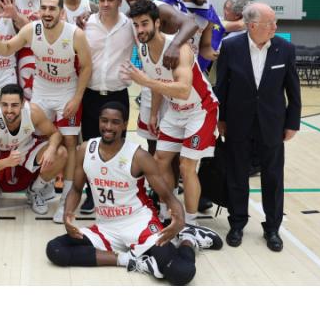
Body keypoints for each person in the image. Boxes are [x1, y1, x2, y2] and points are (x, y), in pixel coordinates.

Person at [45, 102, 221, 286]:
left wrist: (179, 220)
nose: (108, 127)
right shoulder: (85, 150)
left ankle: (189, 239)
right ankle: (129, 260)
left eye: (115, 122)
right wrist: (67, 214)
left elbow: (168, 196)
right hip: (106, 228)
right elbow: (75, 189)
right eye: (104, 121)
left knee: (180, 273)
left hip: (140, 224)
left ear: (124, 124)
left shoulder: (139, 156)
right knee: (55, 250)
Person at [0, 0, 92, 223]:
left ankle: (66, 200)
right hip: (42, 91)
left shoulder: (75, 34)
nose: (47, 12)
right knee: (36, 137)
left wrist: (76, 98)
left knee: (70, 143)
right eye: (44, 8)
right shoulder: (31, 30)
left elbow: (85, 68)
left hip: (66, 91)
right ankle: (39, 187)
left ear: (62, 12)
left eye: (52, 8)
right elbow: (6, 49)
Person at [122, 0, 219, 227]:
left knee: (186, 165)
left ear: (157, 23)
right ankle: (168, 212)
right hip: (174, 111)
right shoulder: (143, 48)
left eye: (144, 24)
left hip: (200, 109)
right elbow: (157, 82)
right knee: (159, 162)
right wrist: (154, 114)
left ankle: (192, 222)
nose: (140, 30)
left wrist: (145, 81)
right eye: (136, 26)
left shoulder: (179, 48)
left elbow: (184, 90)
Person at [215, 3, 301, 252]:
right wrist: (221, 119)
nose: (276, 27)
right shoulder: (231, 47)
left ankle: (272, 228)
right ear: (252, 26)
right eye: (270, 23)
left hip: (272, 123)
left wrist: (292, 122)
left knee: (273, 177)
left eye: (275, 22)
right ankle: (237, 223)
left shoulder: (285, 49)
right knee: (237, 175)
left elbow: (293, 90)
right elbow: (222, 87)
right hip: (237, 122)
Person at [0, 84, 68, 215]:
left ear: (23, 103)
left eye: (14, 105)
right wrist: (6, 162)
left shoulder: (33, 112)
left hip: (25, 148)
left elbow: (55, 133)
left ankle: (35, 191)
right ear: (0, 103)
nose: (9, 110)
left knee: (61, 153)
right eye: (5, 105)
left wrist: (51, 148)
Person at [121, 0, 199, 152]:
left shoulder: (160, 8)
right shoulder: (131, 15)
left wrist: (175, 46)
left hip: (171, 81)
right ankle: (158, 177)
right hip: (152, 83)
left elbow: (190, 23)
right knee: (153, 140)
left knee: (172, 144)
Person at [80, 0, 135, 212]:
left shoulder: (130, 25)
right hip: (91, 94)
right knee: (92, 147)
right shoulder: (86, 24)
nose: (105, 4)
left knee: (117, 146)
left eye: (110, 0)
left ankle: (120, 192)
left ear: (119, 2)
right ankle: (93, 194)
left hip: (117, 94)